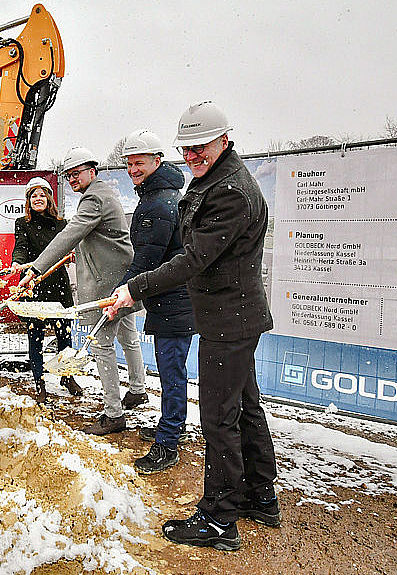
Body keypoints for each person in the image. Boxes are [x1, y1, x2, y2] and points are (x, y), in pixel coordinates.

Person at [108, 102, 279, 551]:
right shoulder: (219, 179)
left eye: (199, 147)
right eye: (186, 148)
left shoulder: (230, 191)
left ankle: (219, 519)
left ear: (223, 140)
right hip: (233, 314)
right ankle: (260, 496)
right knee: (245, 405)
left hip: (230, 317)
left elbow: (194, 257)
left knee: (220, 419)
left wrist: (135, 288)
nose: (191, 156)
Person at [20, 147, 146, 435]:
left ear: (93, 171)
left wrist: (36, 269)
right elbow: (95, 237)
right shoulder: (105, 193)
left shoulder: (93, 198)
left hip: (107, 284)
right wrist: (82, 250)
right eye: (68, 175)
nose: (72, 179)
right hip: (123, 278)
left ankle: (113, 413)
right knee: (128, 337)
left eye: (77, 173)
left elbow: (69, 234)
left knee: (102, 346)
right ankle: (137, 389)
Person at [118, 130, 196, 474]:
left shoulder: (158, 203)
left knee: (172, 373)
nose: (134, 169)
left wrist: (122, 291)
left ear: (157, 161)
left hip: (176, 301)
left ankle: (168, 444)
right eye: (130, 163)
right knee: (170, 372)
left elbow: (146, 259)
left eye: (140, 162)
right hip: (170, 297)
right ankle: (172, 427)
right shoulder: (160, 195)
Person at [10, 177, 83, 402]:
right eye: (34, 195)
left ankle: (66, 376)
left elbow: (69, 247)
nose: (38, 199)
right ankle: (39, 381)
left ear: (49, 198)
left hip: (58, 285)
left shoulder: (62, 224)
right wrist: (17, 262)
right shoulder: (22, 223)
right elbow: (20, 248)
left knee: (64, 335)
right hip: (32, 286)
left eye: (42, 195)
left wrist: (71, 254)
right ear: (28, 200)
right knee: (36, 336)